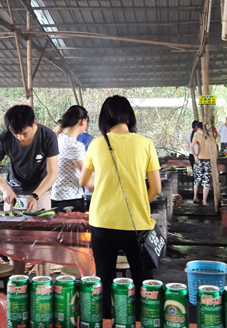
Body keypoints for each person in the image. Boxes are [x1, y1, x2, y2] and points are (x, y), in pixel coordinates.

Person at [78, 95, 161, 320]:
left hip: (102, 222)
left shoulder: (97, 144)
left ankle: (105, 320)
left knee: (104, 279)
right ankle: (142, 321)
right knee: (143, 281)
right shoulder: (145, 143)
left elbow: (84, 181)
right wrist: (138, 202)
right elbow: (156, 188)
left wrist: (105, 181)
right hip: (137, 224)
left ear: (104, 118)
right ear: (129, 116)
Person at [0, 105, 58, 275]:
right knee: (15, 246)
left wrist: (35, 195)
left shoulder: (47, 136)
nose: (20, 137)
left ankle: (42, 284)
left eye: (24, 133)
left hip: (40, 193)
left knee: (42, 246)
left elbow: (53, 173)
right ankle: (18, 283)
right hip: (14, 194)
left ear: (34, 123)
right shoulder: (5, 137)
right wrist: (5, 189)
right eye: (15, 133)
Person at [51, 105, 88, 213]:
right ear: (82, 121)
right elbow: (86, 176)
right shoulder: (74, 145)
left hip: (57, 195)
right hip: (70, 198)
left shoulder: (60, 138)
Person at [190, 122, 213, 206]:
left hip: (201, 160)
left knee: (199, 180)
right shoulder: (209, 137)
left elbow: (191, 146)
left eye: (198, 130)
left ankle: (196, 197)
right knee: (204, 181)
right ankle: (203, 200)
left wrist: (195, 155)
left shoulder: (197, 137)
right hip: (206, 160)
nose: (197, 131)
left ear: (200, 129)